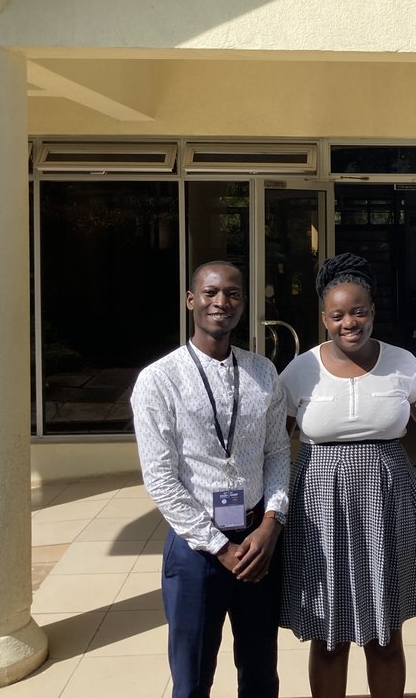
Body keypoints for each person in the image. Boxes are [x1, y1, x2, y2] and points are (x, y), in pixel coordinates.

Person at [278, 253, 416, 698]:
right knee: (329, 636)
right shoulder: (300, 370)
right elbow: (276, 446)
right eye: (338, 315)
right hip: (318, 515)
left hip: (388, 511)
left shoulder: (404, 363)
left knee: (384, 635)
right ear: (324, 319)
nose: (350, 322)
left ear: (374, 312)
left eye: (359, 311)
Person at [131, 260, 290, 698]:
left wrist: (272, 524)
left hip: (258, 539)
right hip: (197, 547)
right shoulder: (158, 380)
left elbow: (277, 452)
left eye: (233, 294)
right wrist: (220, 547)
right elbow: (160, 479)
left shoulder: (263, 373)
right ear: (191, 300)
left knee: (260, 670)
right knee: (193, 675)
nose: (222, 302)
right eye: (211, 293)